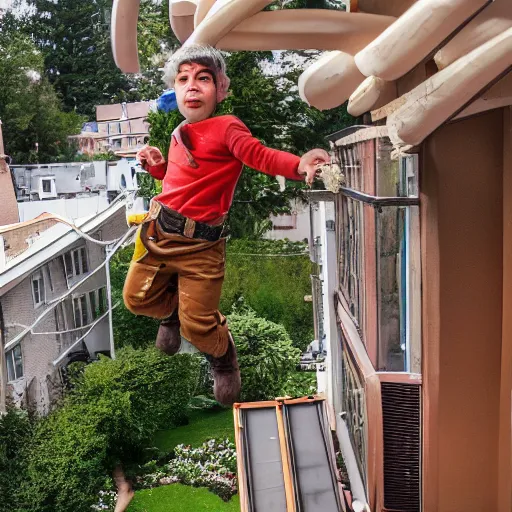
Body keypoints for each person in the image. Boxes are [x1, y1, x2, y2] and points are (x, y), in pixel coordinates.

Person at [123, 44, 330, 407]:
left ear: (221, 89)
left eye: (203, 79)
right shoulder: (178, 133)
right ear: (175, 90)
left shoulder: (227, 128)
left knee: (198, 325)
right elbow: (175, 179)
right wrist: (156, 165)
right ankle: (171, 314)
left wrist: (299, 165)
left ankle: (224, 357)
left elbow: (260, 155)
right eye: (183, 79)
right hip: (159, 233)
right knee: (135, 299)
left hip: (202, 248)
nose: (191, 86)